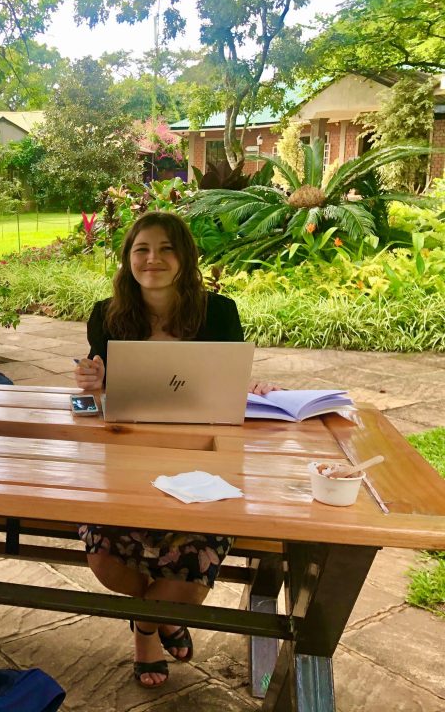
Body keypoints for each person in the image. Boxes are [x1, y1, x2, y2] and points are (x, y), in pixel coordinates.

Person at [73, 211, 276, 690]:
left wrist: (254, 388)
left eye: (166, 248)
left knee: (192, 564)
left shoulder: (219, 311)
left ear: (185, 257)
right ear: (128, 259)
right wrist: (91, 383)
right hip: (126, 458)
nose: (153, 259)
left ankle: (146, 628)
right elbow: (101, 396)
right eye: (142, 249)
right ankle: (162, 616)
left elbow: (226, 386)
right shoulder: (107, 315)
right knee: (104, 559)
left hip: (203, 460)